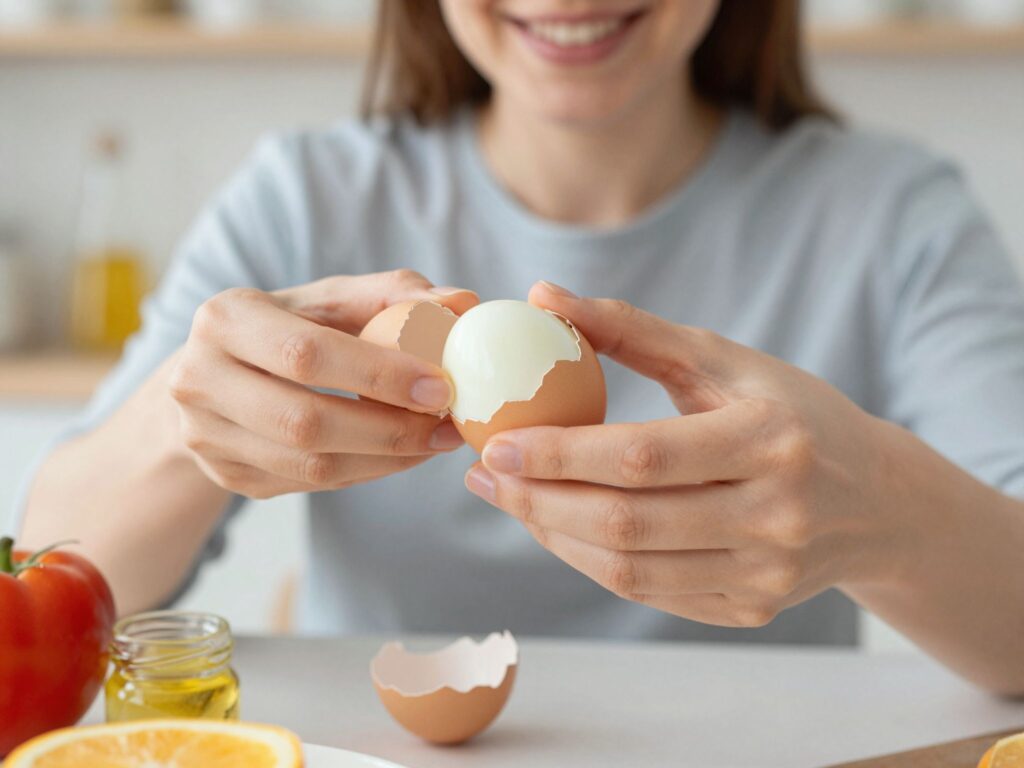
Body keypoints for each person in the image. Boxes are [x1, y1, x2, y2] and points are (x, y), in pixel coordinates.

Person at [20, 0, 1024, 694]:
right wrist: (180, 422)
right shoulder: (307, 198)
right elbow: (48, 568)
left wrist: (882, 509)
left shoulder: (892, 217)